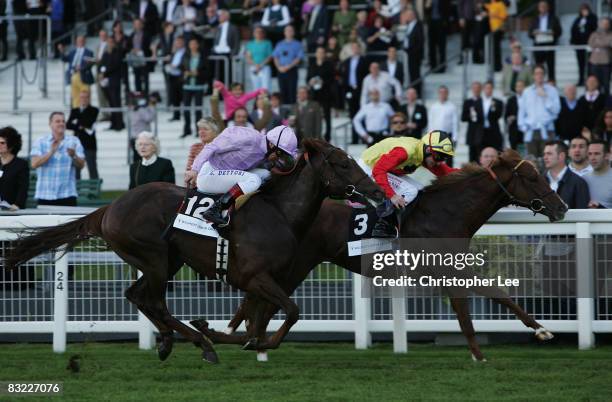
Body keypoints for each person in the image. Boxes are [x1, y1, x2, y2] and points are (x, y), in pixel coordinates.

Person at [185, 125, 299, 226]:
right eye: (280, 153)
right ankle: (215, 210)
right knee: (253, 180)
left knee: (266, 174)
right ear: (271, 144)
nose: (278, 158)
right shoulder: (248, 138)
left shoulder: (265, 152)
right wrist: (195, 169)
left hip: (225, 174)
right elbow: (211, 147)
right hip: (209, 174)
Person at [359, 130, 457, 238]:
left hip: (381, 169)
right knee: (410, 191)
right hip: (367, 168)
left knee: (421, 189)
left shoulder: (423, 152)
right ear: (429, 149)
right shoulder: (405, 152)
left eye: (444, 158)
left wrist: (476, 173)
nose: (439, 162)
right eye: (439, 157)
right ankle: (382, 225)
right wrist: (392, 195)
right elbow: (378, 170)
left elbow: (446, 172)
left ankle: (406, 224)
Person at [30, 112, 85, 206]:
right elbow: (34, 164)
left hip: (67, 194)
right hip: (45, 195)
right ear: (50, 124)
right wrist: (51, 152)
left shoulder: (74, 141)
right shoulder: (40, 141)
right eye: (57, 121)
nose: (61, 123)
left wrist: (74, 155)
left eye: (63, 121)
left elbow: (82, 165)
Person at [518, 65, 561, 157]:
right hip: (530, 131)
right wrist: (523, 127)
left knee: (549, 160)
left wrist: (545, 97)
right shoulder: (527, 91)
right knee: (532, 162)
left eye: (541, 73)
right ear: (533, 76)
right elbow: (521, 112)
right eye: (537, 73)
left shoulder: (552, 90)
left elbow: (557, 110)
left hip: (547, 130)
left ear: (544, 75)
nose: (539, 75)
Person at [543, 140, 589, 209]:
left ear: (561, 156)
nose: (545, 157)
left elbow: (582, 215)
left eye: (549, 154)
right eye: (544, 154)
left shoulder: (579, 183)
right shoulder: (539, 180)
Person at [66, 90, 100, 179]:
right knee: (76, 170)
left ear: (89, 99)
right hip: (77, 145)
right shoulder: (74, 110)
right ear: (79, 98)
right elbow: (68, 125)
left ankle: (94, 191)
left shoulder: (94, 110)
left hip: (89, 144)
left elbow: (89, 122)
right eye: (82, 97)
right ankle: (75, 190)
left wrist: (77, 122)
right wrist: (80, 126)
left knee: (92, 168)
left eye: (86, 97)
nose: (84, 99)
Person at [341, 42, 369, 143]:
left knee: (362, 114)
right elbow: (344, 77)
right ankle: (354, 139)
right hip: (350, 91)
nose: (355, 49)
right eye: (353, 48)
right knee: (353, 115)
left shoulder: (364, 61)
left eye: (356, 48)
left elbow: (366, 76)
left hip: (361, 90)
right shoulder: (346, 62)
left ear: (359, 49)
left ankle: (364, 138)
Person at [528, 1, 562, 81]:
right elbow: (529, 33)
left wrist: (553, 33)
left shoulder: (553, 18)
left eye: (544, 6)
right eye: (541, 6)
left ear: (548, 8)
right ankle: (538, 82)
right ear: (538, 8)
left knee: (551, 66)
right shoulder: (535, 19)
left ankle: (551, 83)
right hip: (538, 45)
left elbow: (559, 31)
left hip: (550, 44)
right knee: (538, 66)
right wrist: (534, 33)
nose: (543, 8)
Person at [181, 38, 208, 137]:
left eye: (194, 43)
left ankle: (198, 131)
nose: (193, 46)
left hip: (199, 86)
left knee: (198, 110)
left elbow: (207, 71)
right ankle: (187, 129)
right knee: (186, 109)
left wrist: (199, 73)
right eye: (191, 44)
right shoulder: (186, 56)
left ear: (197, 45)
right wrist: (185, 74)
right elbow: (182, 68)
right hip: (187, 86)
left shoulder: (203, 56)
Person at [307, 46, 334, 141]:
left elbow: (332, 78)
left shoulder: (329, 64)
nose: (320, 54)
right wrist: (311, 82)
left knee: (327, 116)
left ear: (324, 54)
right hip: (314, 94)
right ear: (316, 54)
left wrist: (323, 81)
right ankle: (314, 136)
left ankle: (328, 136)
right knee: (313, 115)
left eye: (322, 52)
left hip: (325, 93)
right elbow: (308, 78)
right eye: (319, 52)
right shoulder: (312, 65)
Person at [59, 36, 95, 109]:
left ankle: (87, 113)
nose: (80, 42)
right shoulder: (72, 52)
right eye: (79, 41)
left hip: (83, 76)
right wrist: (62, 51)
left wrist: (81, 68)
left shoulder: (89, 52)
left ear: (84, 42)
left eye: (82, 41)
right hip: (73, 75)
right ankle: (76, 112)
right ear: (76, 42)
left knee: (85, 96)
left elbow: (91, 63)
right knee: (75, 96)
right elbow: (65, 59)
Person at [99, 36, 125, 131]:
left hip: (114, 81)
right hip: (106, 82)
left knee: (116, 103)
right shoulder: (106, 53)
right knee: (110, 103)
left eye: (111, 42)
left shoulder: (117, 53)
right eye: (108, 42)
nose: (110, 44)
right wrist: (101, 73)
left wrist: (104, 73)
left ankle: (119, 124)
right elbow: (102, 64)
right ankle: (113, 123)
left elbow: (115, 65)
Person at [273, 25, 304, 105]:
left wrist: (288, 66)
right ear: (284, 32)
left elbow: (299, 58)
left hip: (292, 70)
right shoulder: (279, 44)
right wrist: (279, 67)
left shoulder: (298, 44)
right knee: (282, 90)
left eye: (291, 30)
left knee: (292, 91)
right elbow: (275, 57)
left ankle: (292, 111)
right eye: (287, 30)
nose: (289, 32)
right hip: (281, 70)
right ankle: (284, 112)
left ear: (293, 32)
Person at [0, 126, 29, 210]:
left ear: (11, 144)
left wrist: (17, 204)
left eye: (2, 143)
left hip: (13, 210)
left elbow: (23, 188)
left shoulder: (21, 165)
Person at [396, 8, 424, 95]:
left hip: (415, 54)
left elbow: (420, 41)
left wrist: (413, 51)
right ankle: (413, 92)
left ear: (412, 15)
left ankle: (417, 93)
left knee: (415, 74)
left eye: (408, 15)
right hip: (409, 53)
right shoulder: (409, 25)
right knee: (411, 74)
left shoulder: (418, 25)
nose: (406, 17)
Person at [570, 3, 598, 86]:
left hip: (589, 44)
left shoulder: (592, 18)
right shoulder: (578, 19)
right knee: (581, 63)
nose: (584, 11)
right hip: (579, 45)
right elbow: (573, 30)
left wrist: (587, 18)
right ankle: (581, 80)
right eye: (582, 10)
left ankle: (590, 80)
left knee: (590, 63)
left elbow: (594, 28)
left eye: (585, 10)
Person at [212, 9, 241, 83]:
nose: (219, 17)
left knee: (228, 74)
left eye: (221, 15)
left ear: (227, 17)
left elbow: (236, 42)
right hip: (217, 53)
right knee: (217, 74)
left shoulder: (233, 27)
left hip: (228, 53)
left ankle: (227, 91)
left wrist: (234, 53)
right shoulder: (217, 27)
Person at [428, 86, 459, 154]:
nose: (442, 94)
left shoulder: (452, 107)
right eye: (441, 92)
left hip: (448, 136)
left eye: (444, 92)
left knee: (448, 158)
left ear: (447, 94)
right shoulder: (433, 107)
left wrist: (455, 138)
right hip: (436, 136)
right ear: (438, 94)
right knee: (436, 158)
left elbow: (455, 123)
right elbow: (431, 123)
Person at [127, 18, 153, 96]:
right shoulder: (132, 35)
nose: (137, 26)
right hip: (135, 60)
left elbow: (149, 46)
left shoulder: (147, 34)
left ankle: (146, 95)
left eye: (139, 24)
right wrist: (132, 50)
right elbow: (128, 46)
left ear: (142, 25)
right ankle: (139, 96)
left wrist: (141, 50)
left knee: (145, 79)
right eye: (135, 24)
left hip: (144, 59)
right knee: (137, 79)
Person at [129, 92, 157, 161]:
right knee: (142, 160)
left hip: (134, 137)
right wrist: (152, 107)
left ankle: (136, 171)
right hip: (141, 139)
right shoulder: (141, 110)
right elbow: (149, 118)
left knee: (137, 159)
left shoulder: (132, 109)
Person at [587, 17, 612, 94]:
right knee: (595, 83)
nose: (604, 25)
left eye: (606, 24)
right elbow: (591, 44)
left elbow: (610, 43)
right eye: (603, 23)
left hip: (606, 62)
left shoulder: (610, 34)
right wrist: (605, 44)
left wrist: (598, 43)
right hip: (595, 62)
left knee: (606, 84)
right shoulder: (594, 34)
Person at [584, 140, 612, 208]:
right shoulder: (583, 179)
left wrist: (600, 207)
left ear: (607, 156)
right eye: (590, 154)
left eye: (596, 154)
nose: (592, 158)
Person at [462, 81, 485, 162]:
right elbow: (463, 118)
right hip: (471, 132)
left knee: (481, 155)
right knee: (471, 155)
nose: (476, 90)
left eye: (478, 88)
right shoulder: (467, 102)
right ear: (472, 89)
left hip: (481, 132)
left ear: (481, 89)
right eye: (474, 88)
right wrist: (470, 116)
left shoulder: (484, 102)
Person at [246, 26, 274, 91]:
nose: (259, 33)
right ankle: (257, 101)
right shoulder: (250, 44)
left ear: (263, 33)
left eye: (261, 32)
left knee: (265, 87)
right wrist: (256, 65)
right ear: (253, 33)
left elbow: (270, 56)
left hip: (264, 67)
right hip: (254, 67)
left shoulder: (267, 43)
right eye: (257, 32)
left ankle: (265, 101)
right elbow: (248, 57)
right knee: (255, 87)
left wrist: (261, 65)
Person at [425, 0, 450, 73]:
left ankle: (442, 66)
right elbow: (426, 11)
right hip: (431, 23)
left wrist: (445, 22)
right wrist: (427, 5)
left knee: (442, 46)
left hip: (440, 23)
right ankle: (433, 66)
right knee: (431, 46)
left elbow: (447, 9)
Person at [485, 0, 508, 72]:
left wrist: (495, 15)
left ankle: (498, 67)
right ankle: (494, 65)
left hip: (498, 29)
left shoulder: (500, 4)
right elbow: (485, 7)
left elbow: (504, 16)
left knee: (496, 48)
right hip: (492, 30)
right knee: (493, 48)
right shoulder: (491, 4)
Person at [505, 79, 524, 151]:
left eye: (521, 86)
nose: (520, 88)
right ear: (515, 88)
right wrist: (509, 118)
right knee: (514, 153)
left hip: (525, 131)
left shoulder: (528, 99)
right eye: (518, 86)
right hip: (514, 130)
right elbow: (506, 116)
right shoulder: (510, 100)